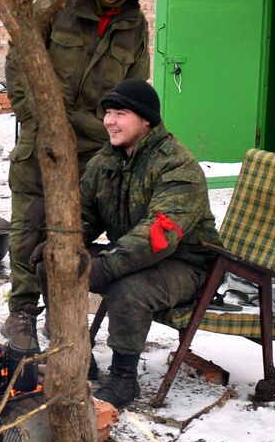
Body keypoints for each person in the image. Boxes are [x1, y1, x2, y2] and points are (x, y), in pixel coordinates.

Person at [4, 0, 151, 353]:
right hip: (41, 138)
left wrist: (122, 137)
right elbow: (19, 58)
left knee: (73, 233)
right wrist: (34, 117)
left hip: (93, 145)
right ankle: (21, 312)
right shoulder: (58, 7)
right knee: (28, 228)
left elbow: (135, 90)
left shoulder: (134, 26)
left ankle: (61, 312)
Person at [68, 79, 219, 408]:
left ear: (146, 120)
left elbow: (159, 236)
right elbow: (83, 213)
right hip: (130, 253)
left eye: (120, 113)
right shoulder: (107, 160)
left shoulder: (177, 166)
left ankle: (123, 378)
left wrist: (104, 267)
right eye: (108, 113)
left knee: (127, 287)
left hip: (185, 265)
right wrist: (62, 243)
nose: (109, 121)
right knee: (55, 264)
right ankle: (77, 356)